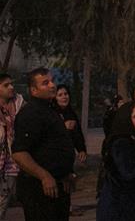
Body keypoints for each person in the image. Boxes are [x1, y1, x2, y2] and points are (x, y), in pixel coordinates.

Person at [11, 67, 76, 221]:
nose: (52, 85)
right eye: (45, 83)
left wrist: (66, 173)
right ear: (34, 90)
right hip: (39, 191)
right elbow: (19, 153)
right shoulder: (31, 113)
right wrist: (44, 176)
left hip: (58, 188)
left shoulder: (51, 110)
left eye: (52, 81)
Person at [0, 73, 23, 220]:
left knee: (3, 202)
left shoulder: (19, 104)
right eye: (6, 85)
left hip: (12, 162)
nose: (11, 87)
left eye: (11, 84)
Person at [52, 85, 87, 165]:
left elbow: (77, 133)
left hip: (68, 155)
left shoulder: (71, 112)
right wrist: (63, 126)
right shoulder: (52, 113)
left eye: (66, 94)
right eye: (60, 95)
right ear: (55, 98)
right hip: (55, 156)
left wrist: (81, 149)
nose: (64, 97)